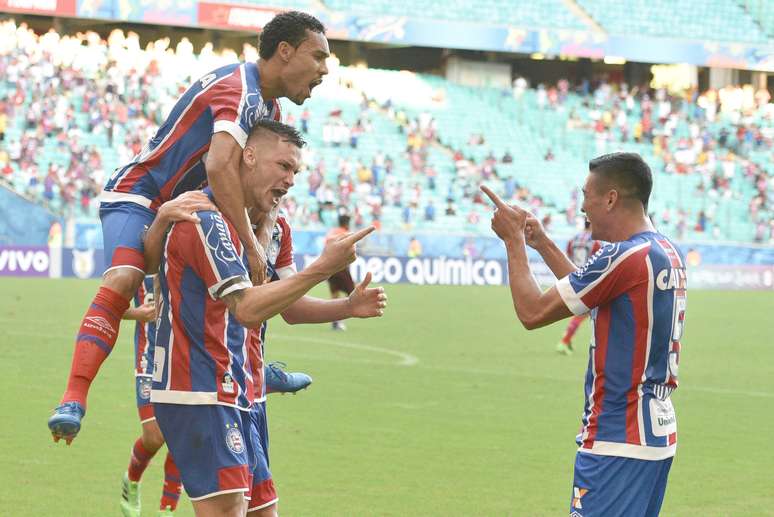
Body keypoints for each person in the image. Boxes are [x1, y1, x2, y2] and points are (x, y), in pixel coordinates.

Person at [49, 10, 330, 443]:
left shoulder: (267, 107)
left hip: (192, 209)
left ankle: (253, 371)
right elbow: (220, 166)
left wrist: (265, 225)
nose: (325, 70)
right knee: (126, 276)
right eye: (318, 57)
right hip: (141, 196)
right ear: (285, 51)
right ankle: (73, 396)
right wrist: (253, 248)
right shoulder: (240, 89)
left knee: (232, 285)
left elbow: (241, 181)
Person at [151, 120, 383, 516]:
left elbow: (287, 307)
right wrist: (322, 269)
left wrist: (346, 307)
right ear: (250, 156)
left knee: (264, 512)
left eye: (295, 171)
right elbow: (246, 308)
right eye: (283, 167)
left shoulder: (276, 227)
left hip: (245, 391)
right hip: (201, 389)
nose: (290, 180)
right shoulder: (204, 218)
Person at [481, 152, 686, 517]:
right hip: (654, 436)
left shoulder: (624, 256)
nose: (582, 207)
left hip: (616, 439)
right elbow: (593, 297)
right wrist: (541, 242)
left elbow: (531, 312)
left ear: (610, 199)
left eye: (586, 195)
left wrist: (512, 240)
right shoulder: (663, 251)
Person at [119, 274, 314, 517]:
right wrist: (139, 313)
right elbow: (111, 304)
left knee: (185, 437)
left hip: (189, 360)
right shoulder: (147, 250)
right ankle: (132, 481)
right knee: (154, 435)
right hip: (151, 357)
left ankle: (166, 509)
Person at [556, 221, 602, 355]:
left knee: (582, 312)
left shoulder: (573, 240)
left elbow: (568, 257)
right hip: (588, 279)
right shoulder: (596, 242)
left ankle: (567, 341)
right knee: (585, 313)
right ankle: (564, 341)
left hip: (574, 277)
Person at [324, 212, 357, 331]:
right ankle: (339, 320)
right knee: (354, 294)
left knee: (335, 294)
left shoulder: (332, 232)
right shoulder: (346, 234)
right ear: (347, 223)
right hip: (340, 267)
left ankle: (335, 321)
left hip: (329, 266)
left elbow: (326, 247)